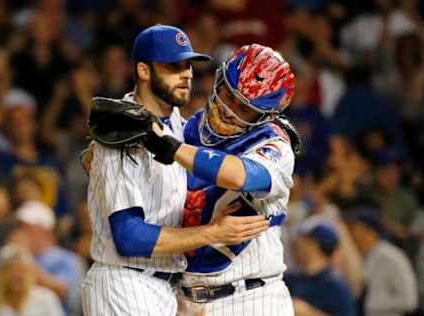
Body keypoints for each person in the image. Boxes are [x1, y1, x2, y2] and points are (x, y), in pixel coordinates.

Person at [81, 25, 270, 316]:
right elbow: (129, 236)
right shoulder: (120, 131)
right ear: (144, 71)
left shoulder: (179, 129)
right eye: (173, 66)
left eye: (188, 64)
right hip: (124, 282)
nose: (187, 74)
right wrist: (211, 232)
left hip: (163, 286)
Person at [143, 44, 298, 315]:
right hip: (185, 298)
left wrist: (174, 149)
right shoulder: (188, 128)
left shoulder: (275, 144)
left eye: (245, 108)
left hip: (251, 298)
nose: (230, 109)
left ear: (265, 116)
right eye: (229, 95)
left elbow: (241, 175)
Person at [346, 209, 418, 316]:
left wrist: (374, 302)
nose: (350, 232)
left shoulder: (391, 256)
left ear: (370, 231)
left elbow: (409, 300)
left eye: (354, 228)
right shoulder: (365, 256)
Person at [285, 223, 356, 316]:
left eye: (303, 240)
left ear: (313, 244)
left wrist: (308, 313)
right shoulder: (291, 279)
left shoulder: (335, 286)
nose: (296, 245)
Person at [0, 243, 64, 316]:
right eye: (11, 270)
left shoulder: (47, 299)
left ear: (31, 274)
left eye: (22, 271)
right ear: (1, 275)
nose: (17, 276)